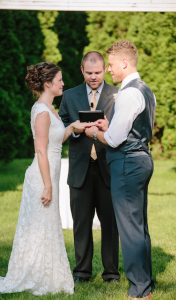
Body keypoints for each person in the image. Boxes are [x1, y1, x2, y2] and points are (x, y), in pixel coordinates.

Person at [0, 62, 88, 295]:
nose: (64, 83)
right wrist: (47, 185)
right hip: (41, 177)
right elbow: (41, 150)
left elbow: (56, 141)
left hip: (50, 175)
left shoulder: (51, 108)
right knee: (39, 226)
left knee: (48, 226)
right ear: (48, 83)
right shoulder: (42, 111)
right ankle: (35, 275)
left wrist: (71, 128)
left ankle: (47, 274)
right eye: (60, 80)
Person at [85, 41, 156, 299]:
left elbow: (114, 140)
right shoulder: (145, 89)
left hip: (127, 162)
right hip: (140, 159)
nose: (110, 70)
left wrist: (94, 131)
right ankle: (146, 283)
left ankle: (139, 289)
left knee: (129, 227)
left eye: (112, 65)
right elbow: (133, 127)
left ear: (124, 63)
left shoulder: (127, 93)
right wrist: (109, 124)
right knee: (139, 226)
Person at [59, 52, 120, 282]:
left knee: (111, 224)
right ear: (82, 70)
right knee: (81, 223)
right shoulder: (69, 95)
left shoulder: (117, 94)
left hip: (108, 167)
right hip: (79, 169)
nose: (93, 77)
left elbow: (123, 126)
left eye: (97, 72)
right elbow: (62, 123)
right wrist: (74, 129)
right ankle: (82, 272)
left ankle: (111, 273)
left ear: (105, 69)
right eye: (89, 73)